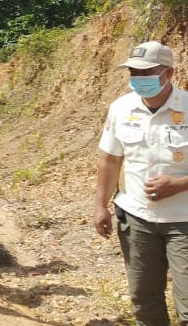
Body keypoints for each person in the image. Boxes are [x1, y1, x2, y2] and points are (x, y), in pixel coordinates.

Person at [94, 41, 188, 326]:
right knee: (144, 301)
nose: (138, 77)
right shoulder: (121, 108)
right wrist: (100, 206)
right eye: (134, 71)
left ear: (169, 73)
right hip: (137, 220)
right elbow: (110, 160)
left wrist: (180, 183)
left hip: (184, 220)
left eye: (146, 72)